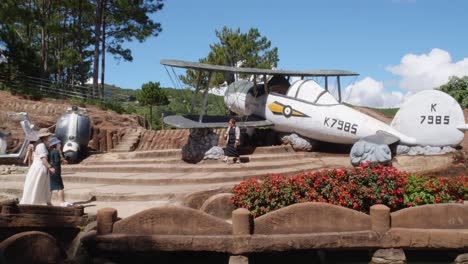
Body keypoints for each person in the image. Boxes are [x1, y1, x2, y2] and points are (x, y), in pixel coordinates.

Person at [20, 128, 55, 205]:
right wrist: (50, 167)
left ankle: (47, 202)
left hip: (37, 167)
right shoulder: (41, 145)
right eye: (48, 136)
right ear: (46, 136)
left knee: (40, 185)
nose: (49, 137)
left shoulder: (39, 143)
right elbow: (43, 159)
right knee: (36, 185)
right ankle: (32, 203)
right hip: (39, 168)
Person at [48, 135, 71, 207]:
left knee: (50, 187)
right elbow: (57, 161)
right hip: (56, 170)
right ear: (55, 145)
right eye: (58, 144)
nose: (59, 145)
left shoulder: (50, 152)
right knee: (60, 187)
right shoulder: (56, 152)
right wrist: (63, 161)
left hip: (50, 171)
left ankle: (48, 201)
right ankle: (62, 202)